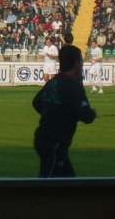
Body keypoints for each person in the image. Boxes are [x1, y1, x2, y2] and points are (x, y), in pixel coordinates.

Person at [32, 44, 97, 178]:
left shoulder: (53, 81)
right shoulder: (72, 85)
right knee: (48, 180)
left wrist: (52, 113)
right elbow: (86, 116)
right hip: (55, 141)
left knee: (67, 179)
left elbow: (36, 102)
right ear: (77, 63)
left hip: (43, 137)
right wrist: (92, 113)